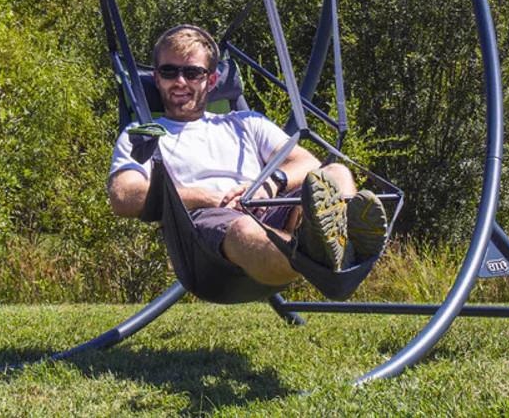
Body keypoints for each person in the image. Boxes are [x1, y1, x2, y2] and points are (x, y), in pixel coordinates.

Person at [107, 24, 388, 287]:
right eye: (169, 72)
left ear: (212, 80)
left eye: (192, 73)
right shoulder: (144, 133)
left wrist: (268, 185)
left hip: (268, 205)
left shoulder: (246, 122)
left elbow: (308, 162)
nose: (180, 81)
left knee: (335, 174)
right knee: (244, 228)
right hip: (209, 229)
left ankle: (327, 244)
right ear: (156, 78)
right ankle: (326, 253)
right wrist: (210, 197)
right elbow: (123, 196)